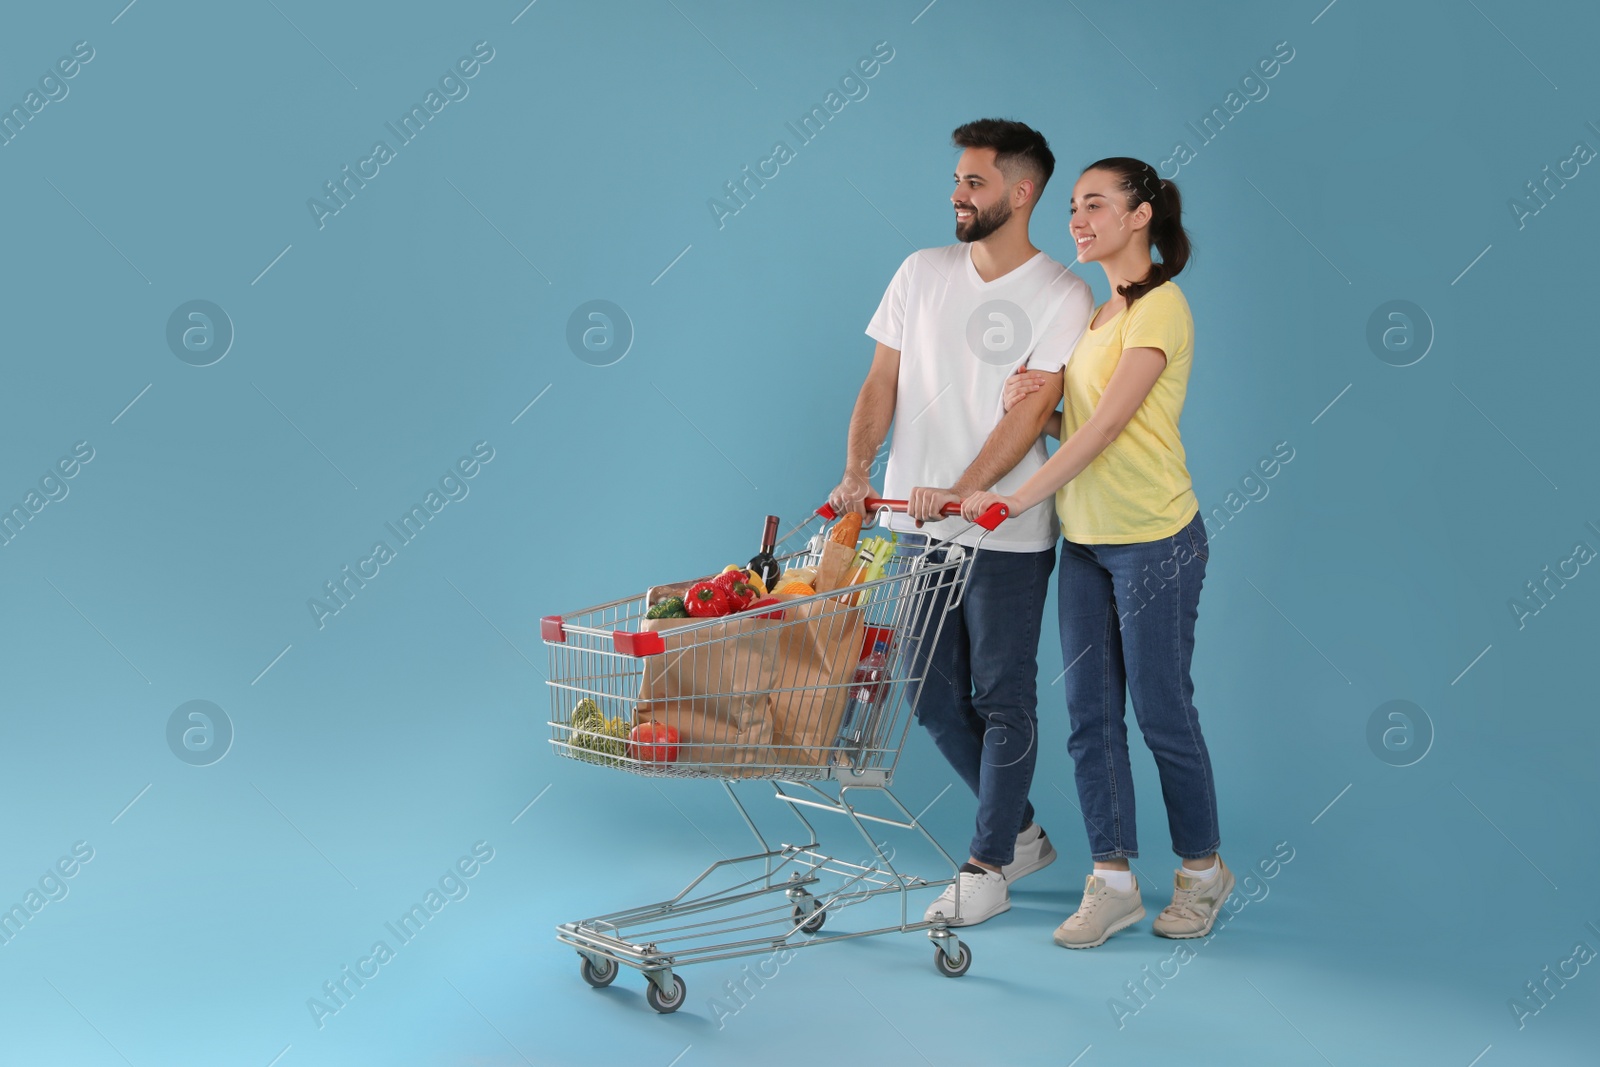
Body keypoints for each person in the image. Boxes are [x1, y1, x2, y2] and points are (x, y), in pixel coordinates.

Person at [828, 118, 1093, 927]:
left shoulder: (1060, 293)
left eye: (974, 182)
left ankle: (986, 866)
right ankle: (1017, 831)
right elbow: (882, 381)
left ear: (1021, 193)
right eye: (957, 179)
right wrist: (857, 469)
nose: (956, 193)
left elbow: (1031, 414)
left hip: (1007, 531)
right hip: (916, 527)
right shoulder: (920, 272)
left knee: (1004, 694)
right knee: (928, 691)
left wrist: (966, 490)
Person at [961, 158, 1229, 948]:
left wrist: (1011, 495)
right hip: (1088, 542)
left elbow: (1109, 428)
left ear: (1140, 216)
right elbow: (1084, 428)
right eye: (1073, 206)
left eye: (1095, 204)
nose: (1077, 218)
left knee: (1161, 710)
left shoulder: (1162, 309)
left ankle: (1203, 873)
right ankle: (1111, 879)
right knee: (1088, 719)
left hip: (1155, 539)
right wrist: (1038, 408)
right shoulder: (1099, 314)